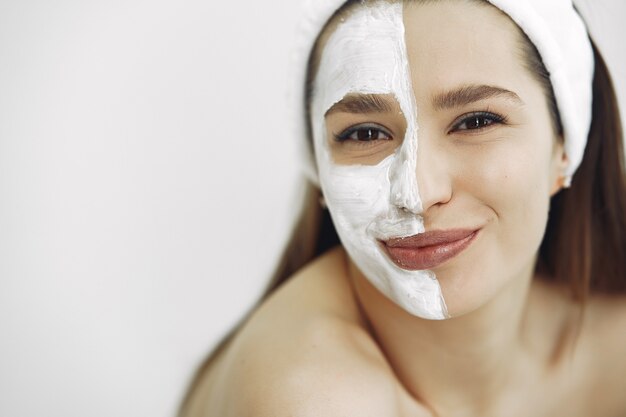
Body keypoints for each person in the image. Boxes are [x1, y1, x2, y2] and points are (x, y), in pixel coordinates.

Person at [179, 0, 626, 415]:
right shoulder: (311, 395)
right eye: (365, 134)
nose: (417, 192)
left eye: (476, 121)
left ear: (565, 147)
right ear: (319, 172)